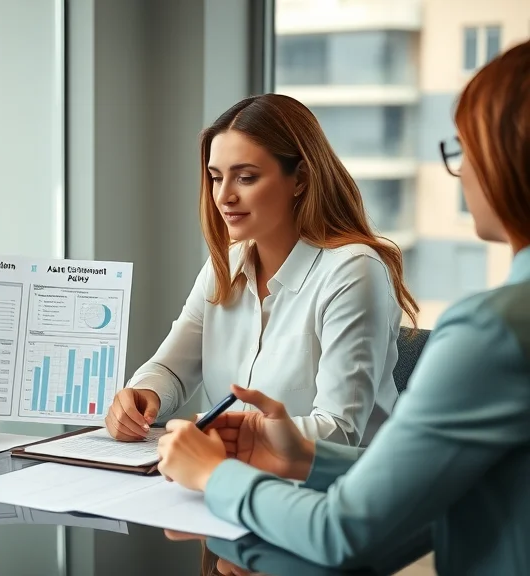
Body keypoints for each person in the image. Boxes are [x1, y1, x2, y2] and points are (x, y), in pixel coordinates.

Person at [155, 40, 530, 575]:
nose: (460, 171)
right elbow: (427, 492)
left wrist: (216, 477)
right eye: (216, 177)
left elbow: (347, 530)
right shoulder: (229, 261)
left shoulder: (491, 332)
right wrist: (298, 456)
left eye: (466, 149)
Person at [107, 94, 418, 446]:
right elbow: (169, 370)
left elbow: (339, 430)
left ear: (299, 179)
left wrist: (228, 432)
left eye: (246, 177)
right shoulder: (225, 266)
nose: (223, 196)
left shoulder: (354, 271)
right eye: (215, 177)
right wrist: (142, 395)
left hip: (334, 488)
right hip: (236, 477)